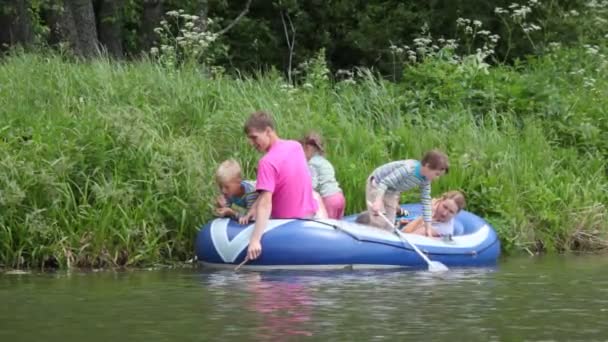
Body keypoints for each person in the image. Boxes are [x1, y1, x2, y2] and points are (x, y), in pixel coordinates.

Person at [242, 111, 318, 260]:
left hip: (287, 227)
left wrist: (255, 240)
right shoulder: (295, 147)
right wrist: (254, 207)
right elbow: (281, 182)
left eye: (254, 137)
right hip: (311, 217)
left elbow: (265, 203)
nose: (252, 143)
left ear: (268, 131)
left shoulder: (267, 162)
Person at [366, 149, 449, 234]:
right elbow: (385, 182)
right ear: (427, 166)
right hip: (377, 184)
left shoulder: (425, 180)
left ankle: (383, 238)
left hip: (392, 191)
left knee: (389, 224)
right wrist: (378, 200)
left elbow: (426, 202)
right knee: (379, 221)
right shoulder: (408, 169)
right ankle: (368, 227)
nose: (437, 178)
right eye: (437, 174)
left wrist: (428, 228)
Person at [300, 131, 346, 219]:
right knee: (338, 226)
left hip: (328, 199)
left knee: (327, 227)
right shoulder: (325, 162)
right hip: (339, 196)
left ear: (307, 148)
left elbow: (313, 184)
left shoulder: (312, 163)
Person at [401, 191, 466, 237]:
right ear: (441, 200)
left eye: (451, 212)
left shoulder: (444, 230)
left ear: (455, 214)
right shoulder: (434, 205)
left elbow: (410, 237)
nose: (444, 213)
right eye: (444, 207)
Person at [214, 159, 259, 224]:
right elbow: (224, 212)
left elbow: (250, 219)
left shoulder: (250, 192)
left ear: (239, 182)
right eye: (221, 186)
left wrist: (232, 213)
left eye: (227, 187)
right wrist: (220, 207)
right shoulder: (229, 192)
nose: (223, 190)